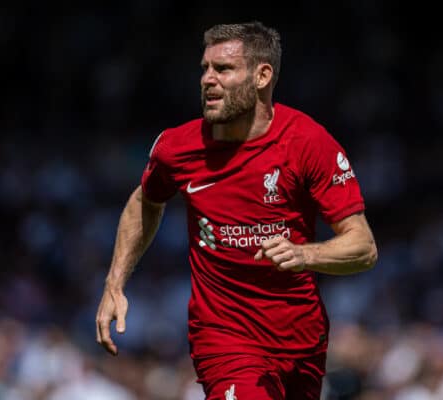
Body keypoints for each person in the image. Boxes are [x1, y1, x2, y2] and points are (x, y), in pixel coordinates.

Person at [95, 21, 378, 400]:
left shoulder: (308, 142)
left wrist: (303, 253)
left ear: (262, 75)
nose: (207, 80)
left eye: (223, 69)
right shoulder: (178, 147)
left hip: (302, 338)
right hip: (224, 337)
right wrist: (114, 283)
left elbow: (363, 247)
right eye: (204, 69)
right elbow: (145, 200)